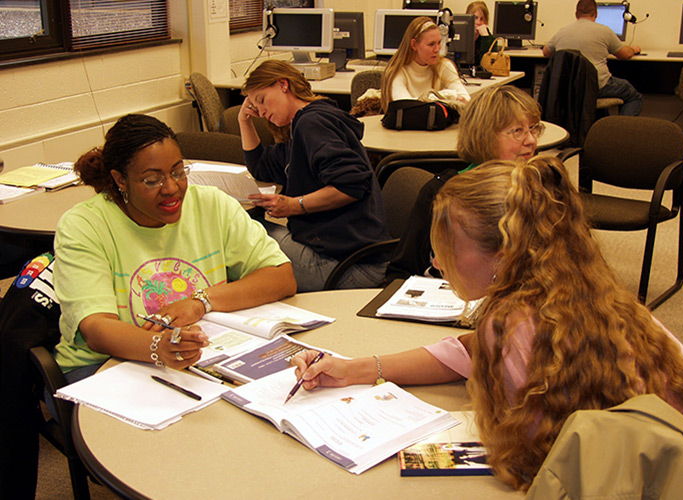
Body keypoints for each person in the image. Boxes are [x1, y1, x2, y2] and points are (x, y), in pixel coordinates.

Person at [291, 155, 683, 492]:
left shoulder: (511, 325)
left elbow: (535, 468)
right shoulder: (583, 288)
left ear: (503, 253)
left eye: (445, 246)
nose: (435, 261)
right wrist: (358, 369)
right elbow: (466, 351)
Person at [52, 114, 296, 379]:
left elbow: (280, 276)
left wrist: (200, 302)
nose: (171, 188)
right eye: (151, 180)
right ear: (120, 179)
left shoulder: (211, 204)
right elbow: (96, 330)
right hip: (105, 366)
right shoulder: (84, 226)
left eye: (178, 172)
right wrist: (158, 347)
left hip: (199, 357)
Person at [238, 60, 389, 292]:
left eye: (262, 100)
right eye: (255, 107)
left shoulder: (312, 124)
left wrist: (294, 205)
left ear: (282, 85)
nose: (261, 111)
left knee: (238, 237)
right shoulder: (304, 122)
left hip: (348, 268)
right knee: (246, 229)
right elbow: (261, 166)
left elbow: (351, 186)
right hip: (349, 255)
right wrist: (244, 121)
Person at [385, 84, 542, 282]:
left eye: (533, 128)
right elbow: (400, 272)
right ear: (485, 136)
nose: (530, 140)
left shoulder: (542, 191)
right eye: (517, 130)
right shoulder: (444, 192)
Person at [543, 0, 643, 116]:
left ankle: (599, 127)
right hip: (597, 86)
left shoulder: (562, 32)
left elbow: (546, 52)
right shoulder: (604, 31)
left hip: (569, 88)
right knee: (634, 96)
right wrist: (634, 50)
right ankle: (620, 132)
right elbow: (625, 54)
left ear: (576, 14)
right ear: (596, 14)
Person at [380, 16, 470, 113]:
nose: (437, 49)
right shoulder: (396, 71)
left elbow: (466, 101)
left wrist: (431, 98)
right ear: (414, 45)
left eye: (439, 42)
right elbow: (406, 107)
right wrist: (449, 95)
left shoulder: (444, 66)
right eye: (431, 44)